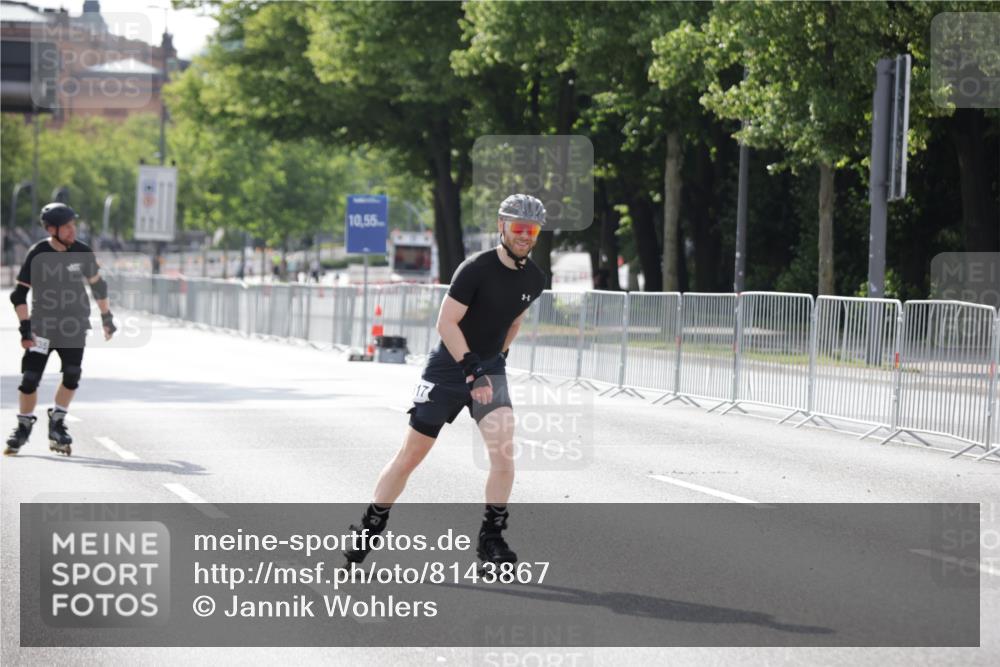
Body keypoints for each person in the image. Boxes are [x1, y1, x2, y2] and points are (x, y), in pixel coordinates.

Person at [343, 194, 547, 569]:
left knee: (503, 451)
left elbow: (514, 321)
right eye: (518, 227)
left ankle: (491, 539)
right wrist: (472, 369)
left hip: (488, 368)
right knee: (411, 456)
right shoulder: (475, 269)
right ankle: (371, 525)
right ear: (502, 226)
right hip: (449, 369)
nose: (524, 235)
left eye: (531, 230)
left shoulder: (534, 278)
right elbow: (446, 323)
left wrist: (496, 360)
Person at [5, 203, 118, 456]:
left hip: (73, 326)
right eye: (67, 227)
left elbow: (99, 287)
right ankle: (23, 426)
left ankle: (57, 422)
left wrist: (107, 317)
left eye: (73, 225)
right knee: (30, 379)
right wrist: (25, 328)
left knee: (72, 373)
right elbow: (19, 295)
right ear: (52, 229)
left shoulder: (82, 252)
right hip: (42, 328)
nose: (72, 230)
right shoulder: (38, 253)